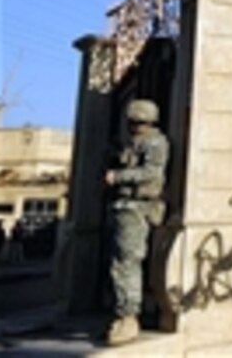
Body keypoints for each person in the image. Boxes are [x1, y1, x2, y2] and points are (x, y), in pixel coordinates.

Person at [104, 99, 169, 347]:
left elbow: (152, 173)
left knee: (126, 262)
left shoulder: (154, 143)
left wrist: (117, 176)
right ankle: (126, 313)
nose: (135, 127)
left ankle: (128, 316)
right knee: (122, 262)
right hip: (126, 205)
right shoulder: (132, 143)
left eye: (138, 122)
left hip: (139, 206)